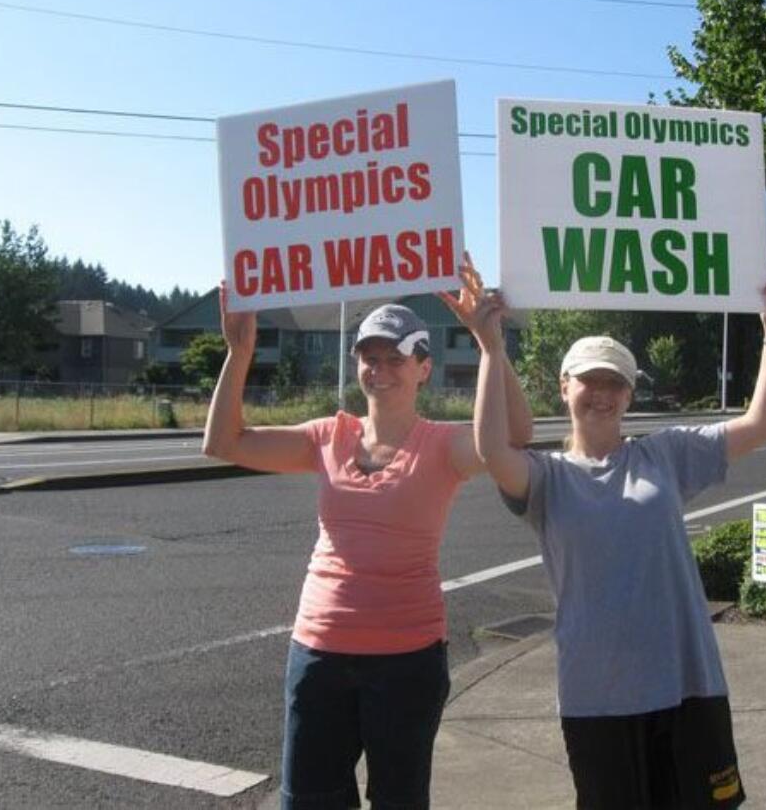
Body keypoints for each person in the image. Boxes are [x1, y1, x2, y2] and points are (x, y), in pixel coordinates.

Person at [203, 256, 531, 810]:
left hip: (407, 660)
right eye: (369, 356)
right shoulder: (328, 435)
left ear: (423, 368)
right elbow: (224, 443)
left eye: (395, 358)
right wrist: (239, 353)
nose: (379, 367)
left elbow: (515, 438)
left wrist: (490, 347)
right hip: (319, 653)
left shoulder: (443, 445)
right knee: (310, 801)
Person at [469, 281, 766, 810]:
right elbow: (491, 448)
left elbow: (759, 426)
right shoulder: (545, 479)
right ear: (563, 386)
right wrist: (491, 348)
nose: (601, 393)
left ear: (630, 393)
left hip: (685, 683)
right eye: (589, 380)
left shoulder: (663, 455)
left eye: (614, 383)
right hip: (597, 696)